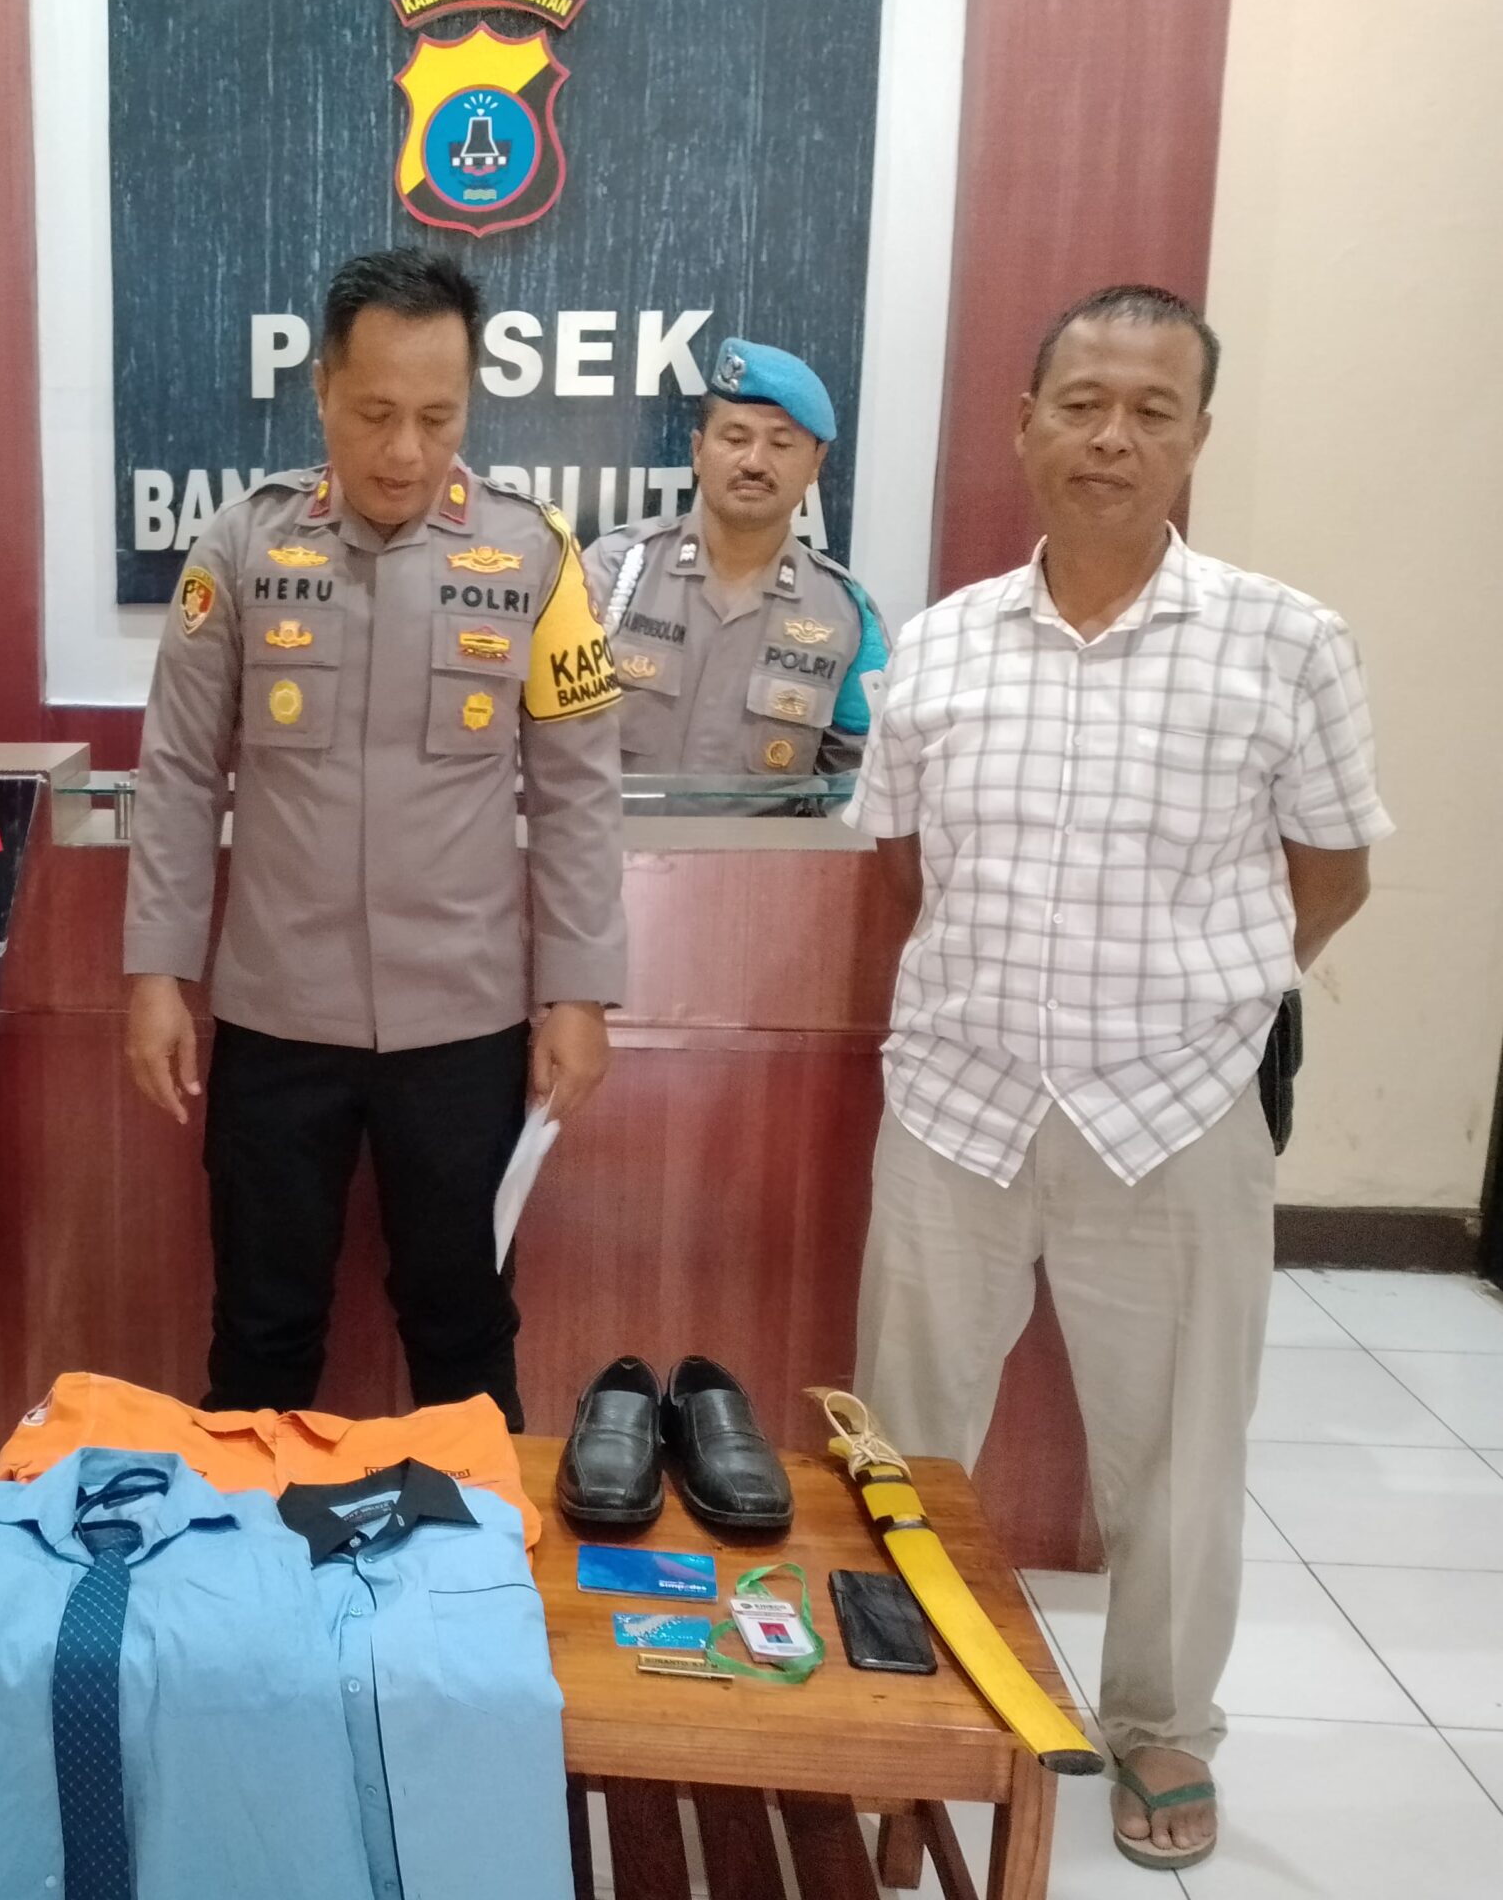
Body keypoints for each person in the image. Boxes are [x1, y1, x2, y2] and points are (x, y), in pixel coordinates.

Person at [849, 285, 1389, 1871]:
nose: (1112, 437)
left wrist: (1187, 1003)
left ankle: (1159, 1727)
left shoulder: (1290, 642)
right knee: (906, 1443)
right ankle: (904, 1712)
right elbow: (905, 865)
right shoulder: (941, 644)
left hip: (1176, 1115)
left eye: (1154, 410)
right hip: (957, 1104)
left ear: (1198, 437)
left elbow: (1332, 876)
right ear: (1023, 425)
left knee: (1178, 1456)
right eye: (1082, 404)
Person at [124, 246, 627, 1430]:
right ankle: (249, 1547)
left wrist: (578, 993)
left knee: (465, 1329)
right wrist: (154, 972)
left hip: (462, 1024)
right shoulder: (240, 548)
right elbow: (179, 771)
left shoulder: (536, 556)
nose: (405, 450)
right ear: (322, 393)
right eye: (374, 413)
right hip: (275, 1017)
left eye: (437, 418)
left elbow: (576, 790)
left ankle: (475, 1545)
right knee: (260, 1330)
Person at [581, 337, 887, 794]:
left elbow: (858, 787)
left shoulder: (847, 616)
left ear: (815, 465)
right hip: (615, 839)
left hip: (763, 844)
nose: (755, 462)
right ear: (698, 450)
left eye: (781, 444)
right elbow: (545, 739)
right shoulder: (611, 571)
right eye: (736, 438)